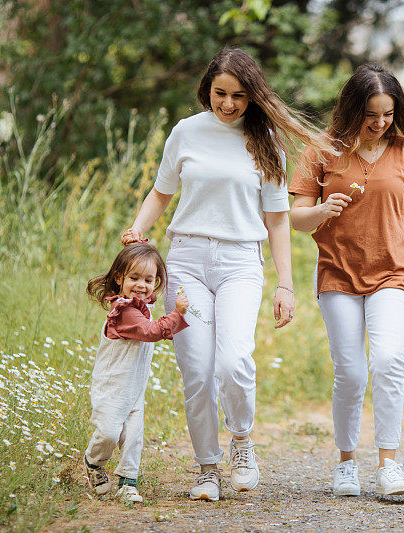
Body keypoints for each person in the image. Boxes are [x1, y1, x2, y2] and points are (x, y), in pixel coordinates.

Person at [120, 48, 335, 501]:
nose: (229, 104)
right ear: (207, 90)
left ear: (252, 96)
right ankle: (206, 469)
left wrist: (285, 285)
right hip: (186, 260)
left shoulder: (265, 141)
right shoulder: (186, 132)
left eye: (239, 95)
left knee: (233, 361)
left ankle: (241, 441)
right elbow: (161, 194)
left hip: (241, 261)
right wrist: (137, 229)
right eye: (220, 93)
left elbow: (277, 219)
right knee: (196, 371)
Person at [289, 64, 404, 498]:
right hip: (337, 273)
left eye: (388, 114)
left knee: (389, 361)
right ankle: (345, 464)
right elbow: (297, 217)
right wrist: (321, 211)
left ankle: (389, 464)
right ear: (351, 109)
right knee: (352, 374)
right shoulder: (323, 149)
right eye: (370, 115)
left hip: (392, 273)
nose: (379, 124)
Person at [84, 242, 189, 503]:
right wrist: (177, 315)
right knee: (109, 433)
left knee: (133, 437)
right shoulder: (125, 311)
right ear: (119, 278)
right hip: (112, 388)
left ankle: (127, 483)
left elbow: (150, 328)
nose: (141, 285)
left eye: (148, 279)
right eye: (134, 278)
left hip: (134, 390)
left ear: (157, 282)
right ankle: (94, 462)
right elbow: (149, 331)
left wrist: (172, 332)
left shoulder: (141, 308)